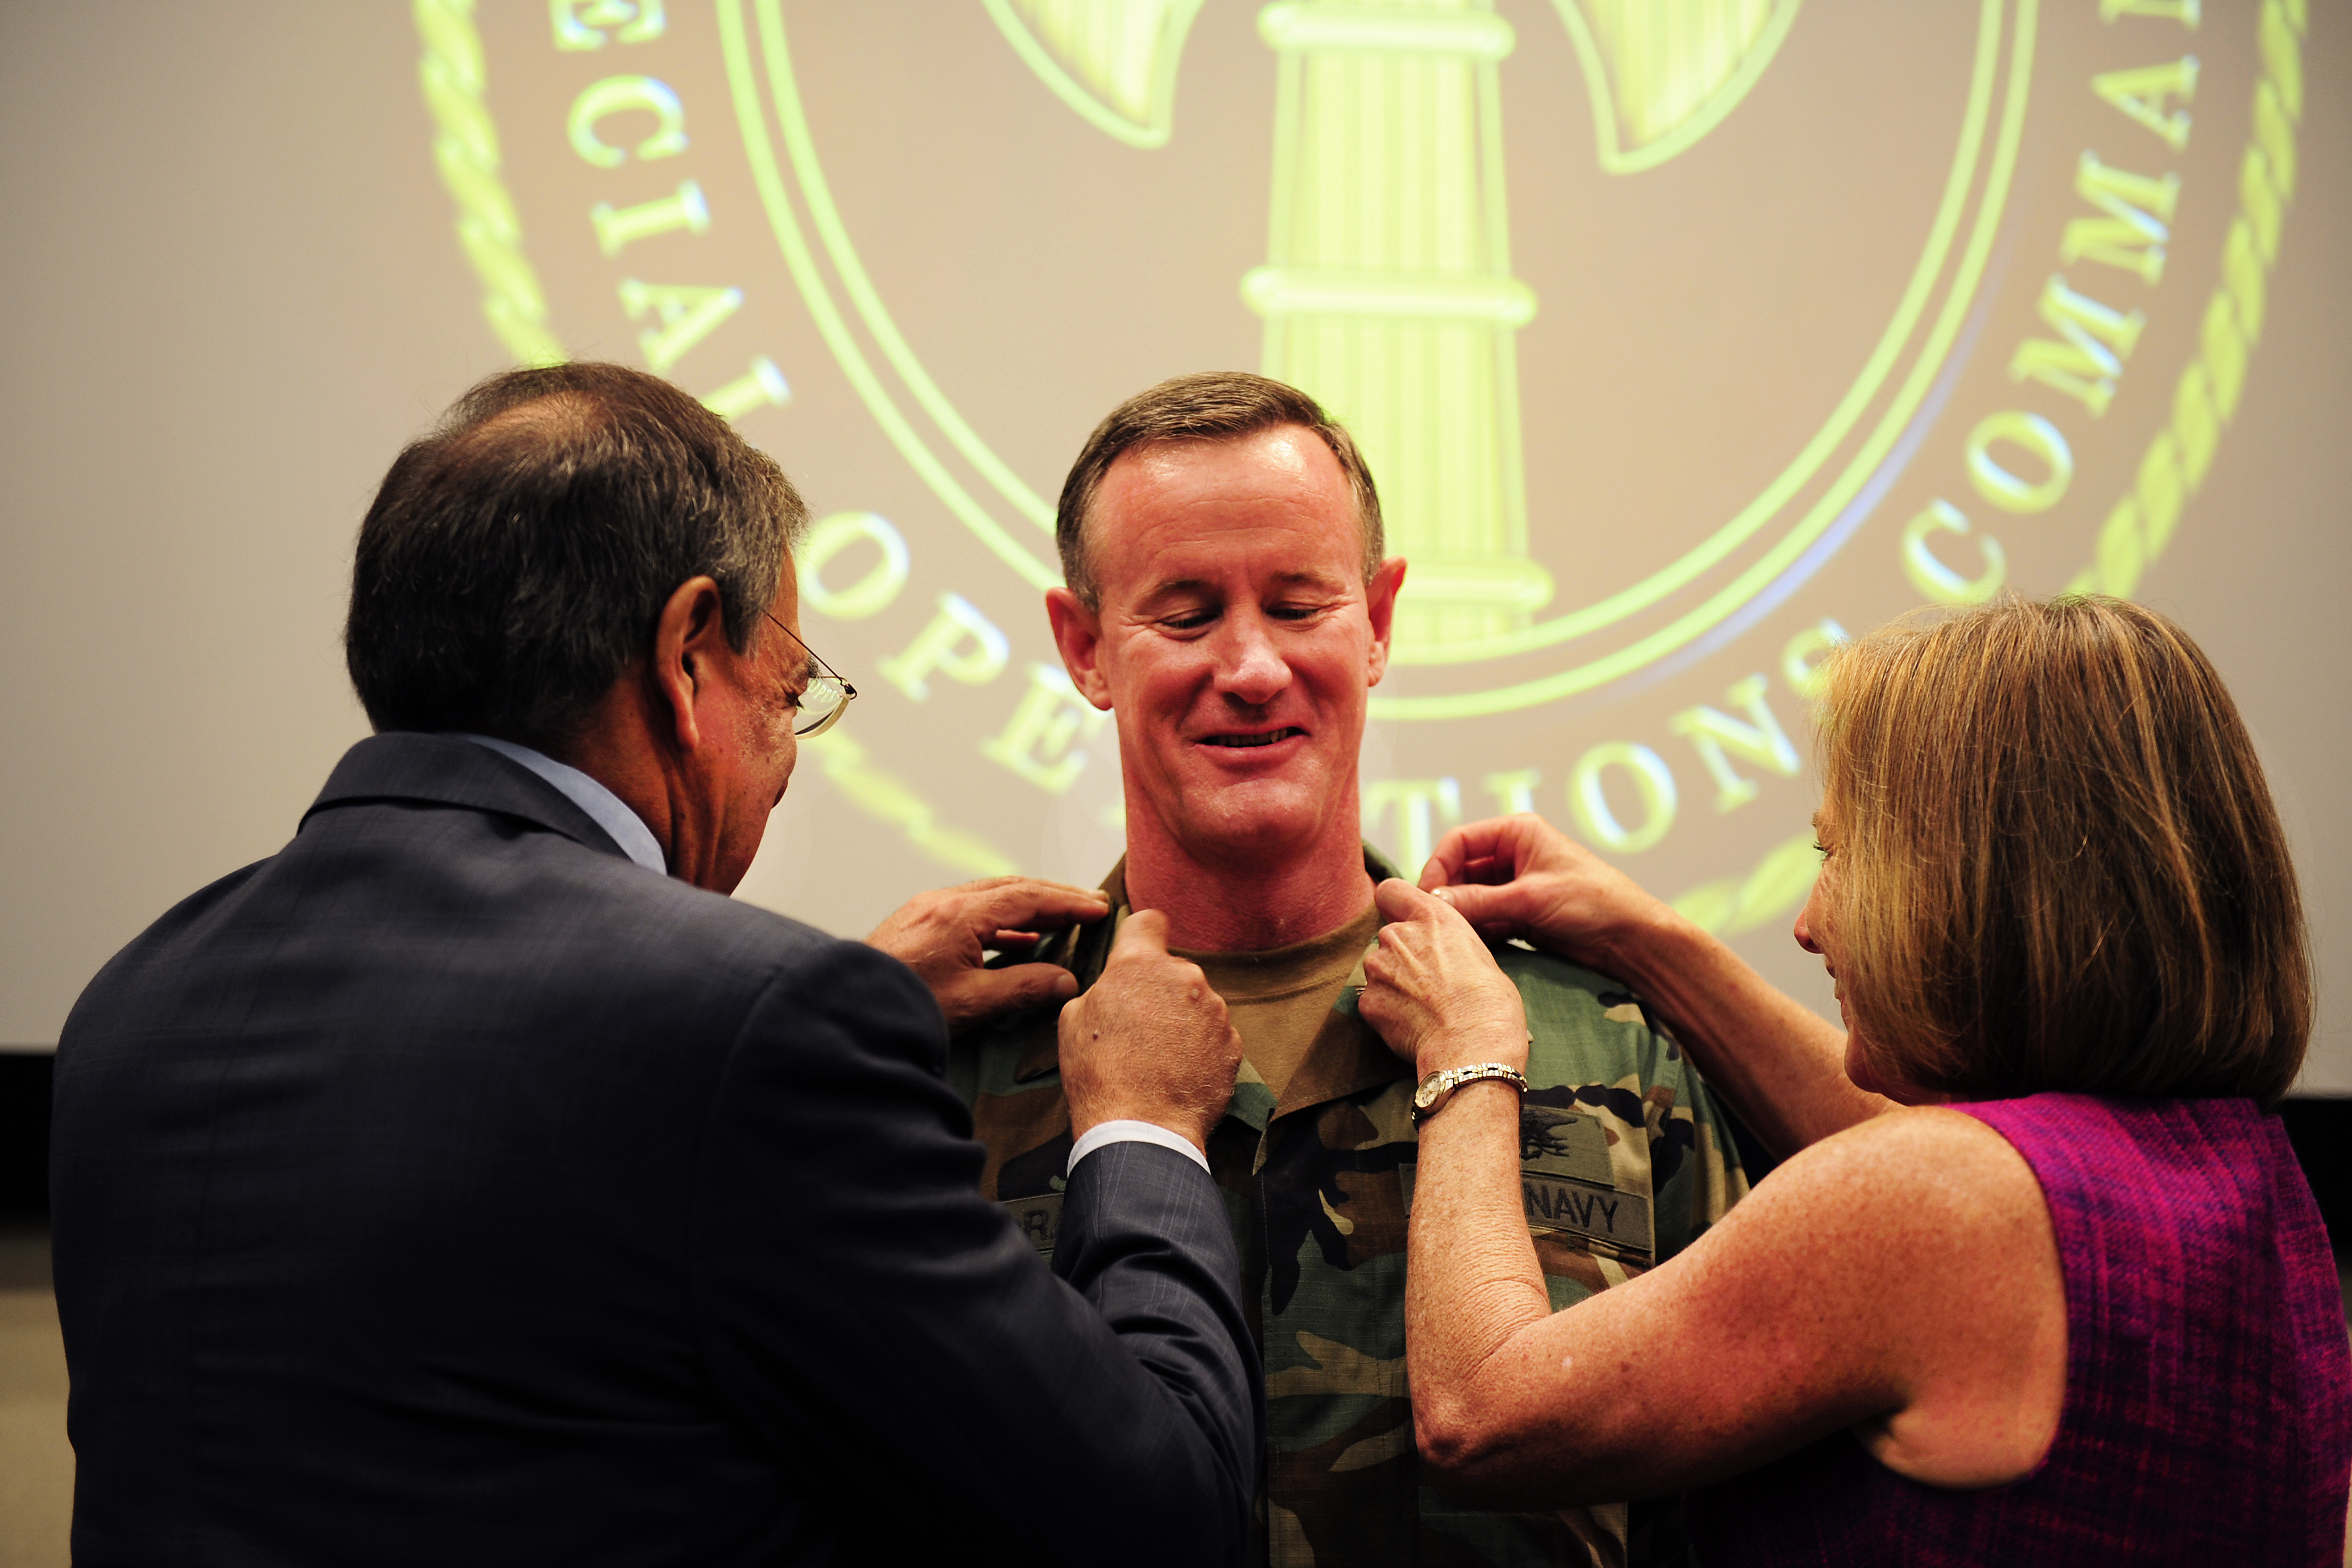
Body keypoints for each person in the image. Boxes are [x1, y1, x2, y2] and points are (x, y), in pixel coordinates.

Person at [49, 362, 1260, 1567]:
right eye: (788, 691)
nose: (786, 758)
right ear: (686, 657)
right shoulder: (750, 1030)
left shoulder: (137, 1000)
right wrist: (1142, 1128)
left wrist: (827, 1008)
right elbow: (1154, 1521)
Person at [1362, 596, 2351, 1565]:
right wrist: (1646, 938)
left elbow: (1483, 1411)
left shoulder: (1940, 1206)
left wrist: (1468, 1049)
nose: (1809, 919)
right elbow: (1914, 1157)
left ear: (1974, 882)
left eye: (1837, 853)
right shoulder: (2235, 1169)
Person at [948, 372, 1749, 1567]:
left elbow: (1738, 1499)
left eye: (1298, 601)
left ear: (1377, 621)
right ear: (1082, 646)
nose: (1253, 665)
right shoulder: (957, 1059)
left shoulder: (1606, 1042)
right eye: (1183, 612)